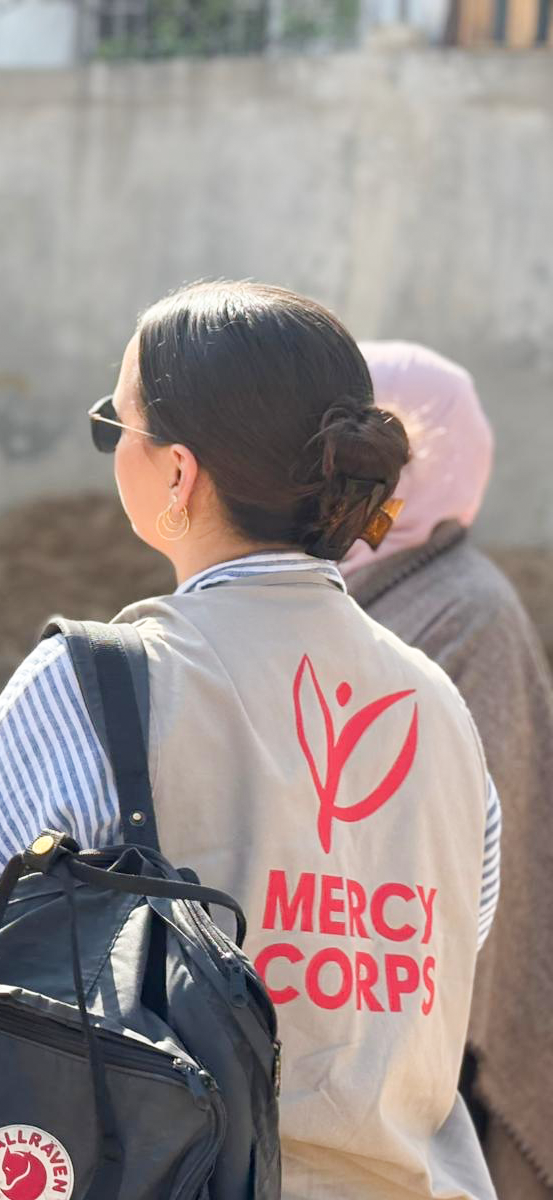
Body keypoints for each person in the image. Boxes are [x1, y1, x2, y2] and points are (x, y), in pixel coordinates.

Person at [0, 281, 503, 1200]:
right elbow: (447, 955)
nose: (112, 448)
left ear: (178, 474)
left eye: (115, 425)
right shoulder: (441, 706)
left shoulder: (96, 683)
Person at [344, 341, 553, 1200]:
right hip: (342, 976)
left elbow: (468, 860)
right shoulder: (342, 583)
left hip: (425, 1004)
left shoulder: (470, 613)